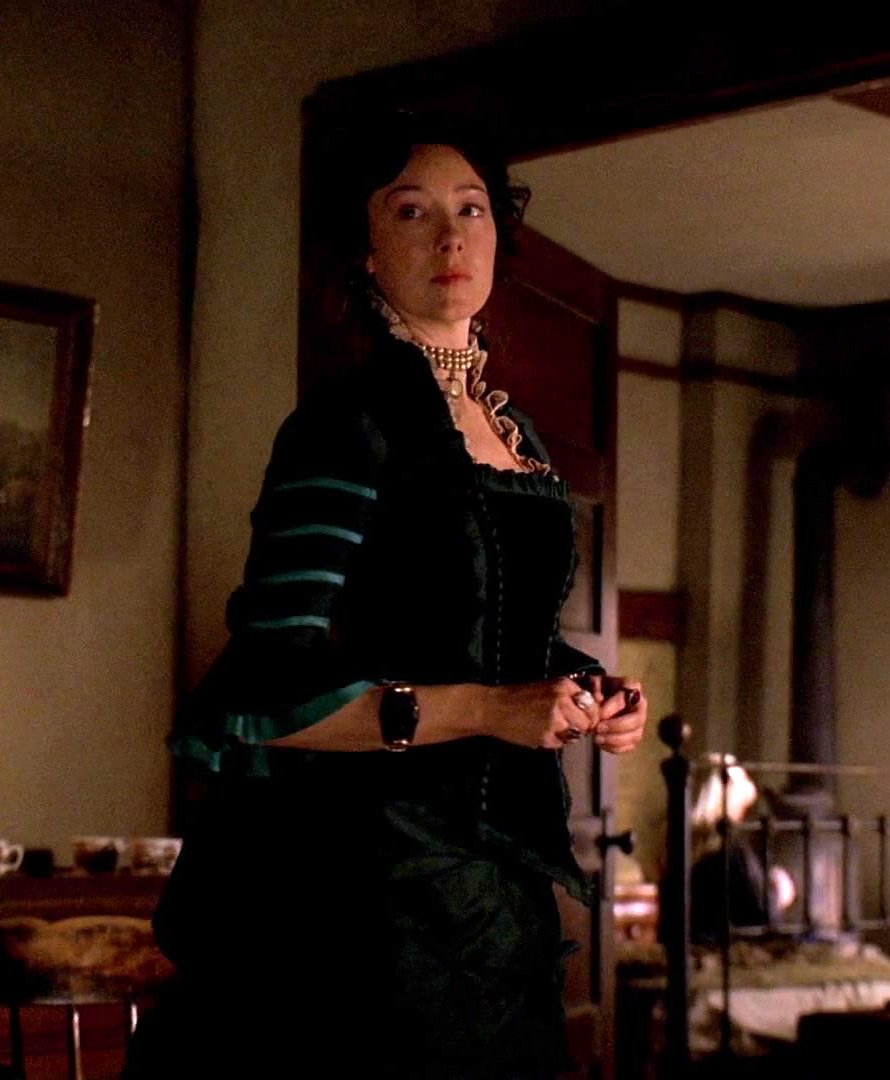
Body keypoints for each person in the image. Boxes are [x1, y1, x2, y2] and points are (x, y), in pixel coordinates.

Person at [125, 113, 648, 1079]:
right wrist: (492, 709)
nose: (450, 237)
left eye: (471, 210)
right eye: (412, 211)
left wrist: (586, 689)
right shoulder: (346, 423)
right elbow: (269, 686)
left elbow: (483, 634)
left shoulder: (518, 435)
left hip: (496, 891)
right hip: (365, 893)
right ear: (367, 252)